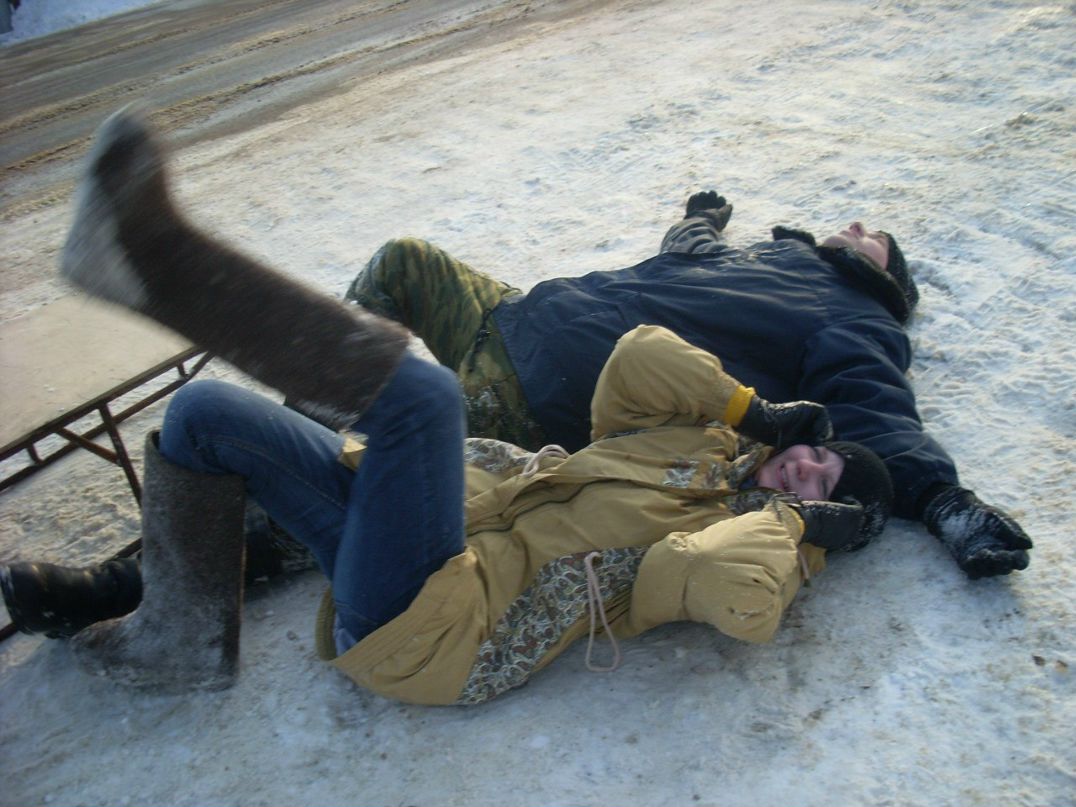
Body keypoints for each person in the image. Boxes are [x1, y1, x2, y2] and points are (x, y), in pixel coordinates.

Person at [1, 108, 894, 703]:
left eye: (825, 473)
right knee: (201, 415)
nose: (810, 462)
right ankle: (177, 632)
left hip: (442, 620)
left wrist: (807, 527)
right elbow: (636, 356)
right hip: (468, 463)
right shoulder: (712, 428)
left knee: (418, 401)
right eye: (821, 450)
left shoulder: (753, 515)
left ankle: (160, 272)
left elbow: (718, 586)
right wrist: (753, 406)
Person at [342, 194, 1032, 580]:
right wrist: (702, 220)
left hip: (540, 386)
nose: (857, 224)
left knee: (378, 461)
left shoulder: (853, 316)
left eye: (876, 236)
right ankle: (320, 404)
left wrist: (946, 500)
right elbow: (690, 257)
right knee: (404, 261)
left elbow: (876, 414)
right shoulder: (778, 255)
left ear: (888, 278)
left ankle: (280, 497)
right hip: (521, 316)